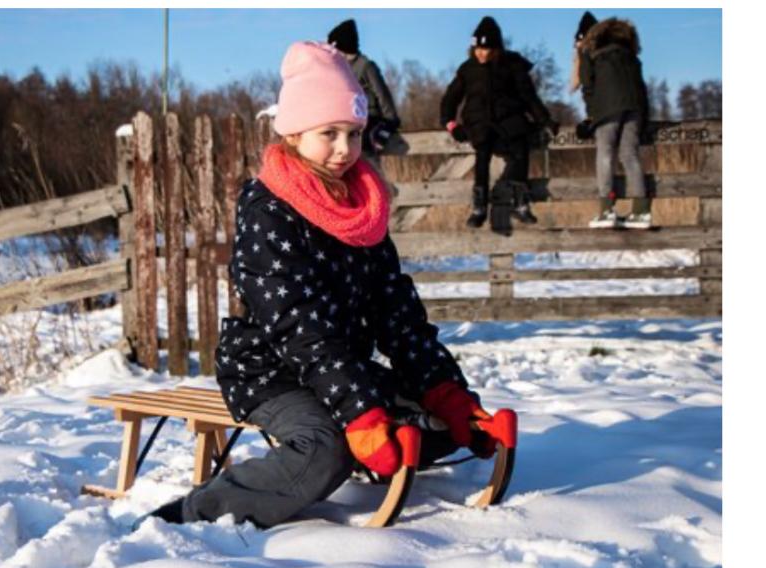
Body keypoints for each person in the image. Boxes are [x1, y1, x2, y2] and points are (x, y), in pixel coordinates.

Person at [142, 42, 495, 529]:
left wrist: (444, 390)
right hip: (270, 370)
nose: (345, 149)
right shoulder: (269, 212)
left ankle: (397, 424)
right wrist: (360, 410)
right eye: (328, 133)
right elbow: (300, 327)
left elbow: (397, 311)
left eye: (354, 133)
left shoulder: (362, 211)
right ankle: (191, 513)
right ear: (294, 132)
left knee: (430, 424)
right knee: (325, 451)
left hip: (340, 366)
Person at [440, 16, 558, 229]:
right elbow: (450, 99)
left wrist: (545, 119)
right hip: (479, 122)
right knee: (482, 156)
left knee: (520, 150)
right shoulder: (468, 69)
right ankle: (479, 206)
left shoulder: (512, 65)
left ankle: (519, 201)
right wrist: (451, 124)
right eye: (478, 49)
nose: (481, 53)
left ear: (496, 49)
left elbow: (528, 97)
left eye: (486, 49)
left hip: (509, 119)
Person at [573, 14, 652, 228]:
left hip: (608, 108)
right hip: (634, 108)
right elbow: (642, 88)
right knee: (629, 154)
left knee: (605, 153)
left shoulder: (588, 51)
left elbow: (588, 85)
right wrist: (644, 118)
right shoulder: (627, 53)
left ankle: (607, 210)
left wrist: (591, 115)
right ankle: (641, 211)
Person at [327, 19, 402, 157]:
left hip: (369, 121)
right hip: (349, 121)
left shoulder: (365, 66)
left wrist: (390, 121)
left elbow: (382, 93)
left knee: (365, 156)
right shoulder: (340, 68)